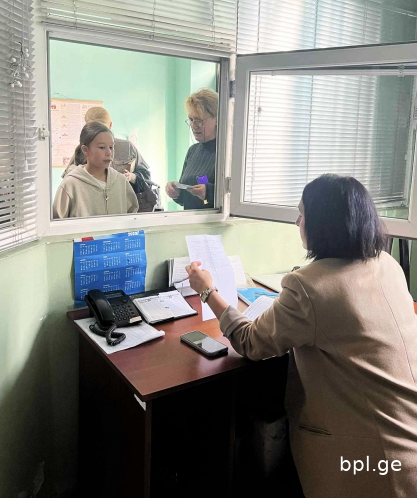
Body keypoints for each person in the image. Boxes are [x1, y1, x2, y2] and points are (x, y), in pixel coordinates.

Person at [186, 174, 417, 498]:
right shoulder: (387, 263)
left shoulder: (309, 286)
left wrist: (207, 290)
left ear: (323, 224)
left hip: (368, 461)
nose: (297, 222)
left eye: (302, 214)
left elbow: (251, 342)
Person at [62, 106, 155, 211]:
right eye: (94, 129)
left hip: (122, 206)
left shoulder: (127, 147)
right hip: (91, 208)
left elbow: (146, 178)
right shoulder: (83, 149)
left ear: (110, 125)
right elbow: (68, 178)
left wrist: (132, 177)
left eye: (102, 128)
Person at [53, 122, 138, 218]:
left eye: (111, 147)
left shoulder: (121, 181)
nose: (109, 153)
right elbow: (57, 223)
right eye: (102, 147)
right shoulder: (70, 185)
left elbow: (131, 218)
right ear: (85, 150)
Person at [165, 88, 217, 210]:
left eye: (199, 120)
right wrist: (176, 192)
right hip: (190, 219)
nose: (193, 126)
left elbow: (233, 197)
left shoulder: (227, 153)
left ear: (217, 119)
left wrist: (209, 192)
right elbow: (185, 199)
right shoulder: (193, 151)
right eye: (191, 120)